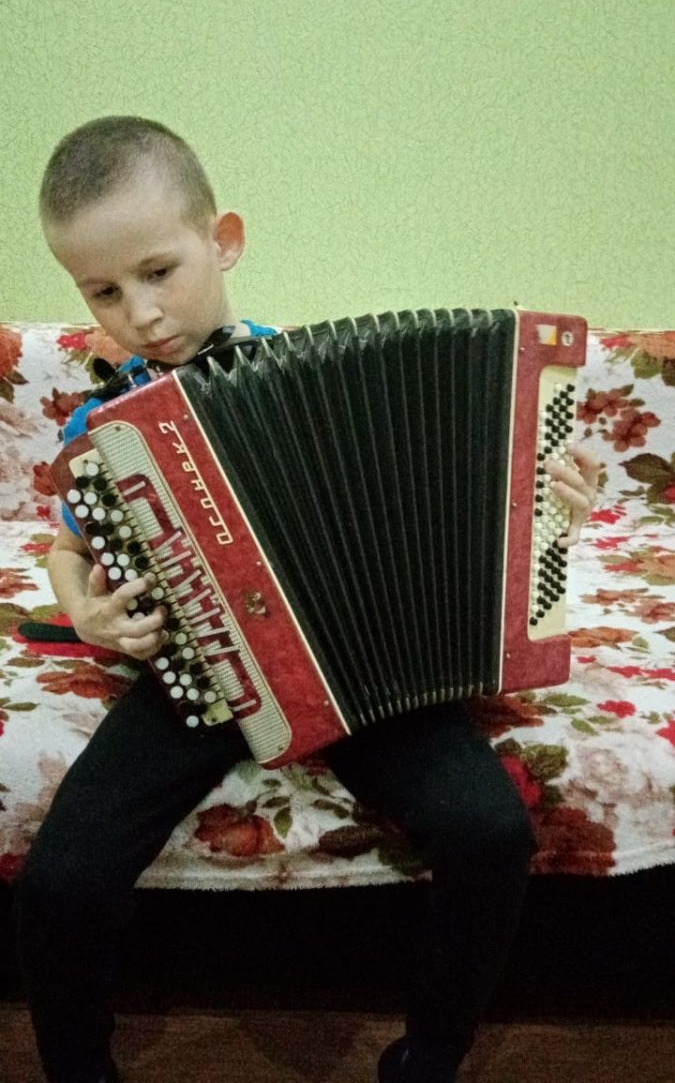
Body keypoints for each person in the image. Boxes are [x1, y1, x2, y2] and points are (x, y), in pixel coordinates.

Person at [15, 116, 600, 1083]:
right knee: (61, 880)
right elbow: (67, 549)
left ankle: (428, 1057)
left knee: (490, 832)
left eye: (158, 271)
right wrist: (83, 608)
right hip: (199, 674)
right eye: (103, 292)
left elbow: (455, 502)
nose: (141, 314)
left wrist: (549, 501)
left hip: (360, 667)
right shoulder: (104, 425)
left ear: (223, 241)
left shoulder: (313, 371)